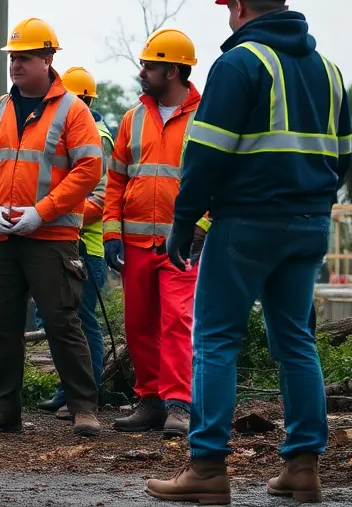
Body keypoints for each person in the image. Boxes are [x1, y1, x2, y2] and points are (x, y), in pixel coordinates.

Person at [147, 0, 352, 505]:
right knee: (296, 342)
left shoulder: (240, 64)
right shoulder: (329, 71)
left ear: (237, 5)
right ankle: (303, 467)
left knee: (215, 340)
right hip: (309, 224)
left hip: (245, 224)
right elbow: (346, 157)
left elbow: (206, 156)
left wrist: (183, 224)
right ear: (284, 2)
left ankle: (209, 469)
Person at [0, 18, 104, 439]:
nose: (16, 65)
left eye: (24, 58)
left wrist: (42, 211)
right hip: (1, 236)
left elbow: (89, 168)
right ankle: (3, 409)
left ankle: (83, 408)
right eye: (13, 58)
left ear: (48, 59)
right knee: (1, 324)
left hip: (53, 235)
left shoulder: (73, 111)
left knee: (62, 321)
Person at [101, 31, 206, 438]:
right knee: (139, 324)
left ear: (173, 70)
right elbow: (116, 180)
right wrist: (112, 233)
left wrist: (201, 227)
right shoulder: (134, 117)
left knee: (177, 321)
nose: (142, 72)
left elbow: (215, 180)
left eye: (150, 65)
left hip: (182, 244)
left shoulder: (205, 116)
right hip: (136, 243)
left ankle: (179, 404)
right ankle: (150, 401)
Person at [36, 67, 113, 419]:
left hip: (85, 245)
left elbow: (101, 196)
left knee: (81, 321)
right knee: (63, 318)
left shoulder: (96, 136)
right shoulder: (62, 128)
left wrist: (59, 215)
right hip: (63, 239)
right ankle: (69, 388)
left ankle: (87, 392)